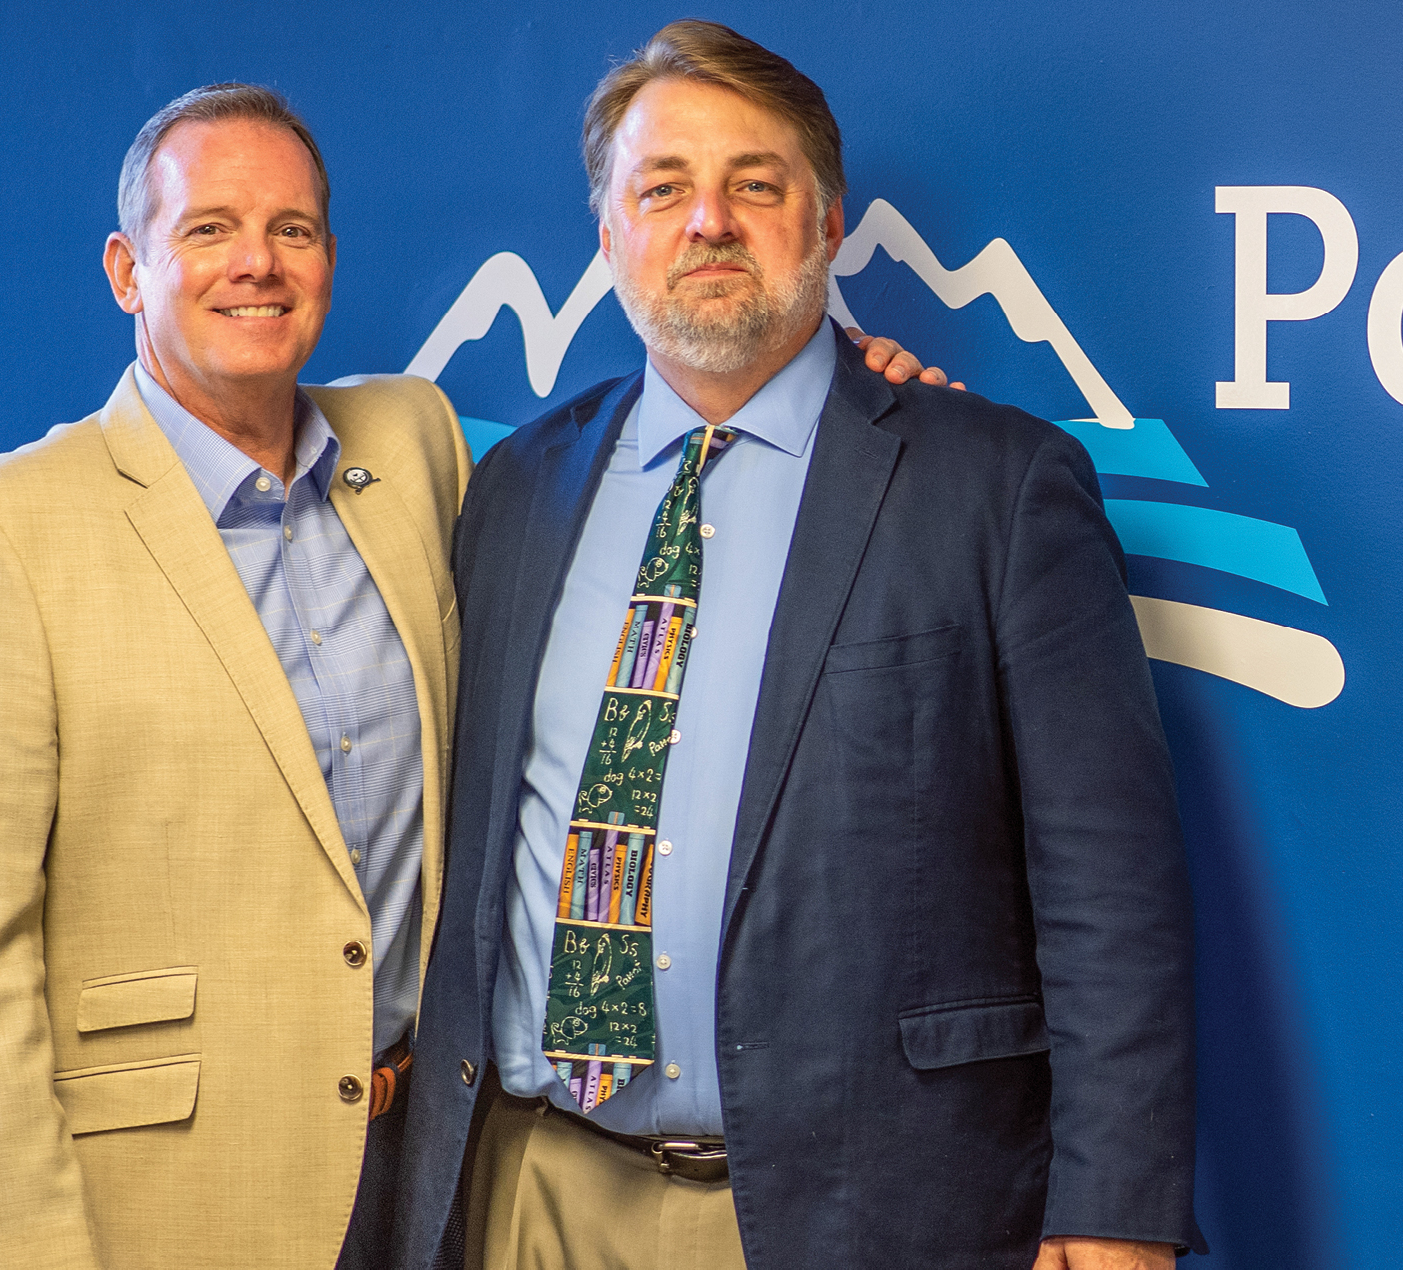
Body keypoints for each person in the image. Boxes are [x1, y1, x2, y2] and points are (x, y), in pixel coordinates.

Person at [0, 79, 939, 1270]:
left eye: (292, 230)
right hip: (166, 1193)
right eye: (209, 230)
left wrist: (846, 392)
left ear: (330, 258)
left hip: (428, 1171)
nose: (258, 265)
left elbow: (701, 430)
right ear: (129, 270)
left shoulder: (412, 445)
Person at [396, 20, 1205, 1270]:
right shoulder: (514, 491)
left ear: (826, 227)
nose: (707, 220)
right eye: (662, 188)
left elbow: (1110, 889)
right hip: (529, 1190)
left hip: (858, 1203)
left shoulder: (994, 486)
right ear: (610, 234)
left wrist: (1115, 1208)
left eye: (754, 186)